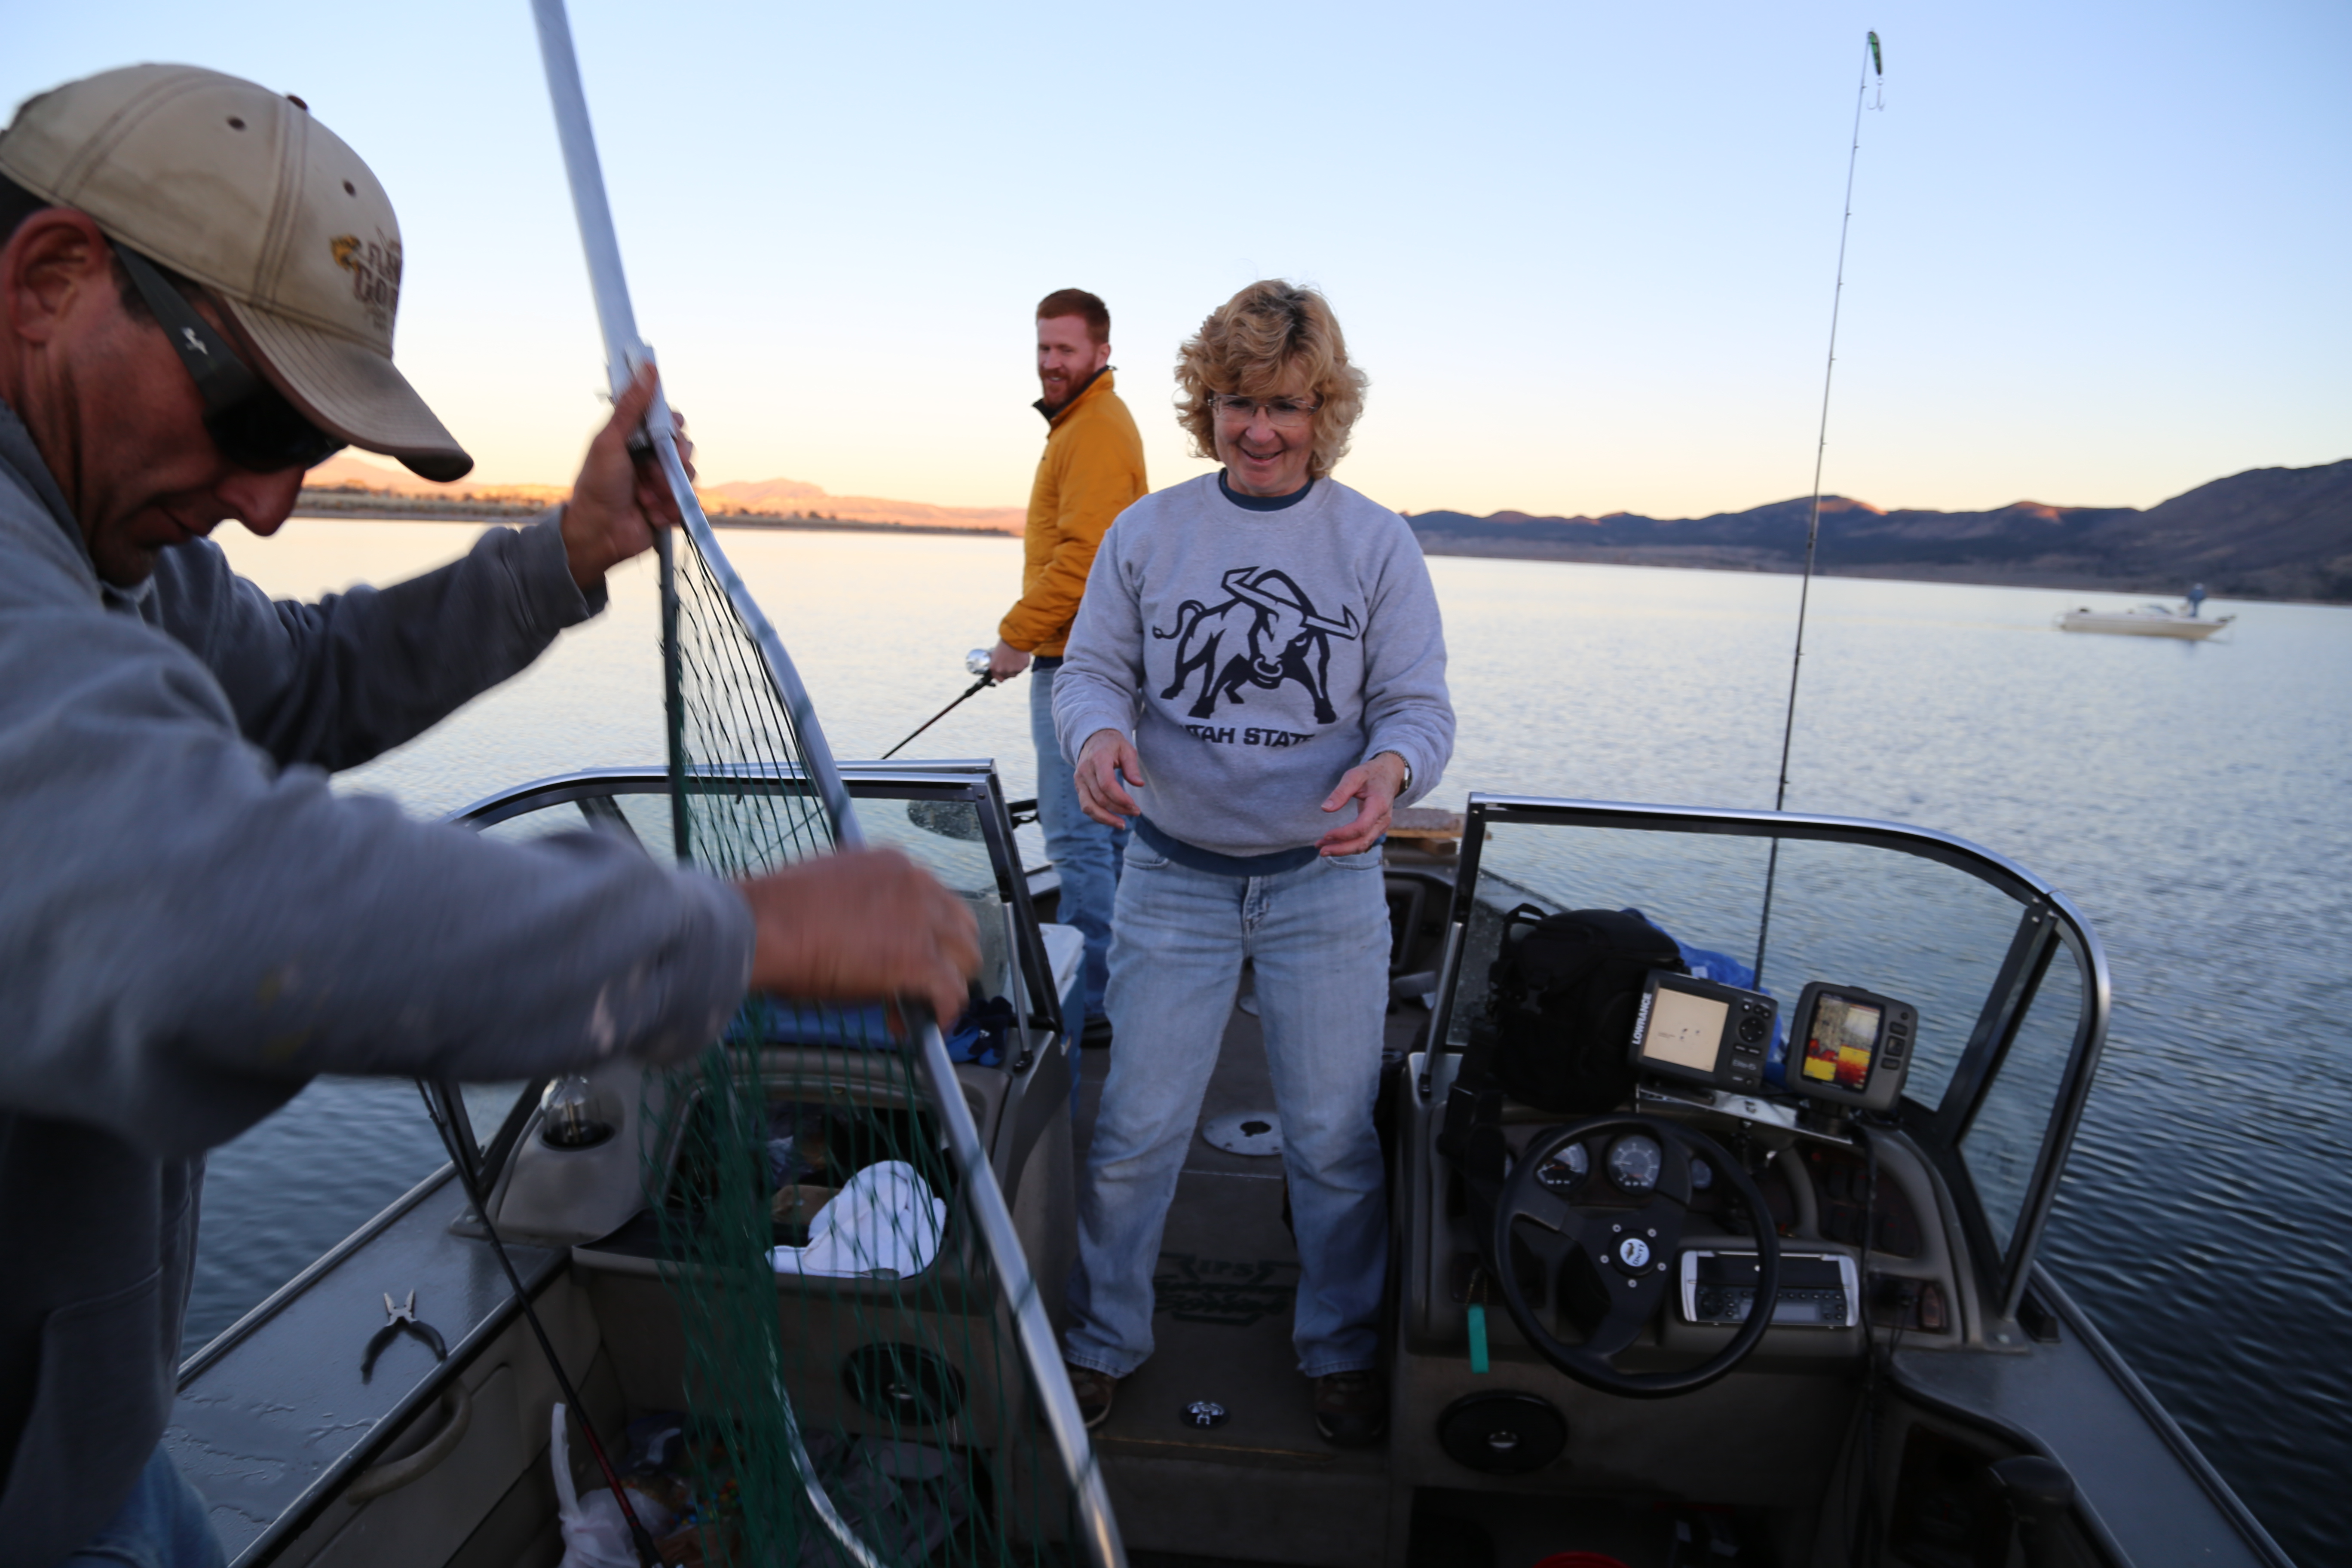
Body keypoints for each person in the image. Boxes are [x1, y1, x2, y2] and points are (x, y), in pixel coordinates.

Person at [0, 66, 977, 1567]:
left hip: (79, 1452)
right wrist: (726, 927)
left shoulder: (111, 552)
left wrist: (571, 550)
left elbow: (308, 679)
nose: (271, 500)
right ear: (54, 279)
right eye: (259, 410)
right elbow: (198, 904)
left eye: (311, 447)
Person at [1051, 280, 1453, 1445]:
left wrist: (1390, 775)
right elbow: (1090, 674)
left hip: (1324, 886)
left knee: (1333, 1142)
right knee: (1133, 1131)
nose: (1258, 429)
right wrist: (1099, 735)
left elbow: (1417, 710)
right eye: (1235, 403)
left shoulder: (1377, 544)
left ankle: (1337, 1350)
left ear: (1323, 408)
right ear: (1205, 406)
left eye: (1282, 404)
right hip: (1170, 877)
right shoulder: (1150, 532)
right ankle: (1101, 1340)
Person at [984, 291, 1147, 1047]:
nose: (1052, 363)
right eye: (1044, 349)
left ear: (1101, 354)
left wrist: (1017, 636)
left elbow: (1084, 558)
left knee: (1079, 837)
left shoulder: (1096, 431)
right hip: (1088, 658)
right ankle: (1116, 989)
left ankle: (1093, 1005)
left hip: (1080, 664)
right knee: (1106, 836)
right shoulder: (1080, 425)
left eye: (1067, 351)